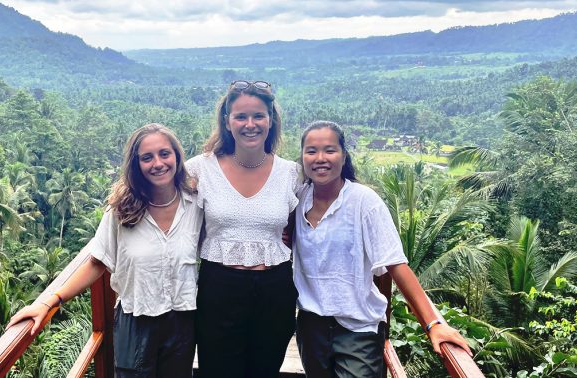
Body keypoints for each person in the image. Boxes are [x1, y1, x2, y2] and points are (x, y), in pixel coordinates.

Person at [7, 123, 203, 378]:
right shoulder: (122, 210)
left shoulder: (195, 204)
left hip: (182, 321)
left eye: (164, 153)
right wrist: (49, 301)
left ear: (177, 155)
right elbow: (97, 262)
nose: (158, 163)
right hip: (136, 320)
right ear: (136, 164)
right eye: (147, 157)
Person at [293, 120, 472, 378]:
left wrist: (433, 324)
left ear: (344, 155)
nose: (320, 158)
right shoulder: (297, 200)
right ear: (302, 157)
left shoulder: (364, 202)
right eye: (311, 151)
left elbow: (395, 264)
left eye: (329, 150)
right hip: (311, 328)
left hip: (358, 329)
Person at [186, 81, 300, 377]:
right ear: (227, 122)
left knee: (265, 371)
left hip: (275, 290)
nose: (250, 124)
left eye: (259, 116)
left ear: (271, 120)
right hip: (219, 288)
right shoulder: (200, 169)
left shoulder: (291, 173)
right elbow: (160, 193)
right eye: (241, 117)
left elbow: (312, 214)